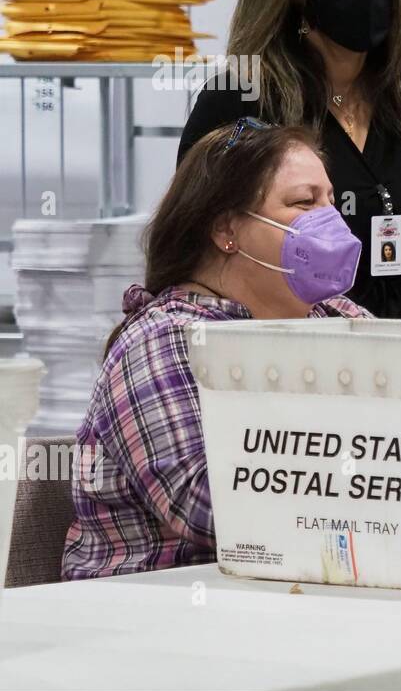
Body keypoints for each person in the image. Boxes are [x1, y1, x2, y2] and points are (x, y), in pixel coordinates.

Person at [62, 120, 370, 581]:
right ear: (227, 228)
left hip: (298, 598)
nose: (330, 222)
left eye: (329, 201)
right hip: (150, 616)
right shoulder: (165, 342)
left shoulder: (338, 318)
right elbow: (212, 506)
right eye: (304, 203)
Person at [178, 0, 401, 320]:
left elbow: (396, 279)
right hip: (277, 357)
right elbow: (193, 259)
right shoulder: (240, 101)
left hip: (380, 364)